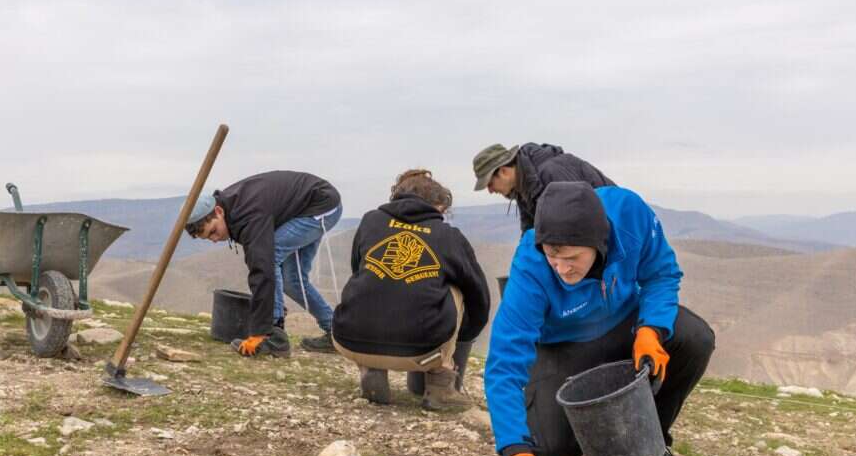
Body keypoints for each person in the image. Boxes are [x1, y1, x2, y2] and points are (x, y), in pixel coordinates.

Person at [484, 181, 714, 456]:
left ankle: (650, 442)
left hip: (624, 324)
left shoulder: (630, 216)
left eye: (572, 258)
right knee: (554, 451)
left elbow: (661, 274)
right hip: (564, 343)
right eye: (553, 257)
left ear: (598, 242)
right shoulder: (531, 266)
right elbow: (505, 362)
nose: (562, 270)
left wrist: (651, 329)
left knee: (694, 337)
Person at [331, 169, 490, 410]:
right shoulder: (448, 236)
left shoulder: (370, 220)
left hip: (350, 341)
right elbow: (479, 296)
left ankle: (371, 368)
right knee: (456, 289)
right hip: (423, 350)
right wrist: (462, 339)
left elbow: (357, 267)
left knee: (371, 280)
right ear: (438, 205)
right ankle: (440, 385)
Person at [186, 171, 342, 357]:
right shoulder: (232, 210)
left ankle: (273, 337)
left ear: (218, 211)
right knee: (290, 280)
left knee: (271, 253)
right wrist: (271, 301)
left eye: (213, 232)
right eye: (208, 238)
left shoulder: (248, 214)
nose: (214, 239)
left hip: (320, 206)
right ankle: (337, 335)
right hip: (307, 205)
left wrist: (261, 330)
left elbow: (262, 267)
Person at [472, 143, 614, 232]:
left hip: (618, 233)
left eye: (489, 184)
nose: (490, 191)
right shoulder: (524, 188)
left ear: (503, 171)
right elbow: (531, 234)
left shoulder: (552, 174)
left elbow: (579, 226)